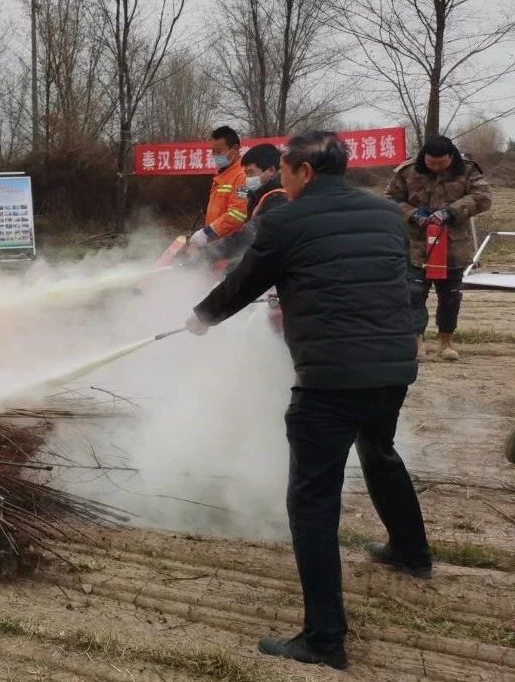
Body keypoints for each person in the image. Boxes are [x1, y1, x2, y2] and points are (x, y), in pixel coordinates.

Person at [185, 131, 430, 671]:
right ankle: (412, 553)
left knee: (311, 502)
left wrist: (201, 319)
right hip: (392, 368)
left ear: (306, 172)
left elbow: (245, 282)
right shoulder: (388, 214)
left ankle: (324, 639)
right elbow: (402, 283)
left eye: (286, 173)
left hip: (330, 378)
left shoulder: (285, 221)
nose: (279, 181)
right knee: (380, 448)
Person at [384, 135, 492, 361]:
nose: (435, 168)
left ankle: (446, 343)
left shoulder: (467, 170)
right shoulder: (408, 171)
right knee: (413, 294)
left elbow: (482, 197)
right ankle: (417, 342)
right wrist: (413, 214)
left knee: (450, 296)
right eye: (431, 163)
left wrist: (451, 211)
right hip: (416, 245)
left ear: (451, 157)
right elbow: (390, 199)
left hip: (453, 246)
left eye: (441, 164)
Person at [199, 143, 288, 267]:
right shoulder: (250, 190)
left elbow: (250, 232)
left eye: (251, 173)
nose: (247, 179)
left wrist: (207, 245)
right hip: (227, 243)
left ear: (271, 170)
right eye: (245, 173)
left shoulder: (280, 197)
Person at [187, 125, 249, 251]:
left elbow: (237, 215)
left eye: (219, 152)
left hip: (228, 248)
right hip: (213, 245)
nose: (215, 156)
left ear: (235, 149)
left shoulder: (242, 177)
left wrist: (207, 233)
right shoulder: (222, 174)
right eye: (213, 152)